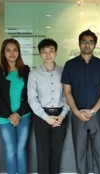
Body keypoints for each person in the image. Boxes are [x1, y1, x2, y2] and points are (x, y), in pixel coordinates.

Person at [61, 29, 100, 174]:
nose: (87, 44)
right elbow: (67, 91)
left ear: (95, 45)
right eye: (84, 41)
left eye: (90, 42)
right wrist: (76, 112)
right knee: (80, 154)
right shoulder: (70, 65)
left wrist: (93, 110)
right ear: (79, 44)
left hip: (97, 115)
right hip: (78, 115)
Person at [27, 38, 69, 174]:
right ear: (40, 54)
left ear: (56, 53)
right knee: (43, 153)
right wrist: (46, 118)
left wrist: (61, 116)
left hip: (60, 116)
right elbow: (32, 99)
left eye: (51, 50)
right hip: (41, 116)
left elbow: (67, 96)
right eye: (44, 51)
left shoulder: (64, 71)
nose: (48, 54)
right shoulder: (33, 74)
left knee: (57, 153)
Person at [0, 38, 31, 174]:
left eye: (15, 50)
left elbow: (29, 95)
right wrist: (10, 115)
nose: (12, 53)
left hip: (24, 116)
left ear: (19, 52)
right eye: (8, 50)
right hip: (4, 117)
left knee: (21, 150)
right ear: (3, 52)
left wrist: (19, 114)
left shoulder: (25, 70)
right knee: (10, 150)